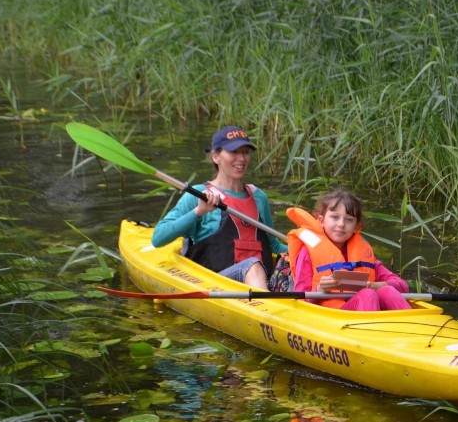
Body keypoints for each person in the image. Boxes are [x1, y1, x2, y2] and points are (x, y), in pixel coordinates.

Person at [151, 125, 287, 289]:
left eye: (245, 152)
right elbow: (158, 239)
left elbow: (273, 245)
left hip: (258, 282)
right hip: (215, 282)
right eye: (234, 152)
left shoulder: (258, 197)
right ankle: (267, 308)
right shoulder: (198, 195)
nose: (242, 158)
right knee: (253, 265)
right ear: (216, 157)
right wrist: (199, 212)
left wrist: (302, 249)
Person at [287, 188, 412, 311]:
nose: (341, 224)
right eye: (335, 217)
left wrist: (377, 285)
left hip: (363, 312)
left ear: (356, 227)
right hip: (331, 317)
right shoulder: (307, 253)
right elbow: (300, 300)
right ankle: (368, 330)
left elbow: (402, 285)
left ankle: (414, 325)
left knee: (387, 290)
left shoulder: (365, 255)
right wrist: (320, 290)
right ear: (321, 221)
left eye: (349, 220)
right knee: (367, 294)